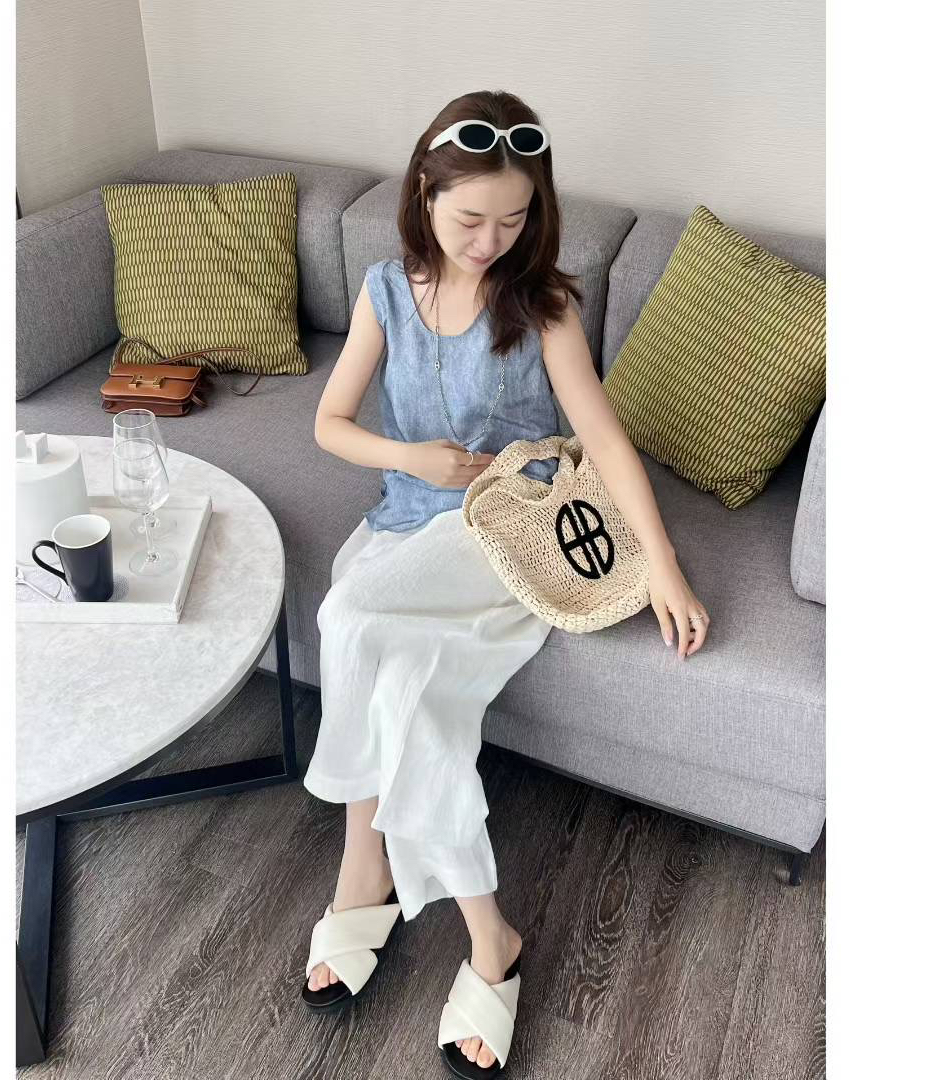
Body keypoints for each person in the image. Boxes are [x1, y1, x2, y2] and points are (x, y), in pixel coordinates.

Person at [301, 90, 711, 1074]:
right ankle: (491, 937)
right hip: (403, 531)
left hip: (505, 542)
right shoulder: (384, 292)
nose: (491, 242)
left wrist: (664, 566)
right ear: (423, 195)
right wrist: (410, 457)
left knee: (347, 615)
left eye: (515, 220)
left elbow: (604, 439)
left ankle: (362, 870)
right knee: (408, 694)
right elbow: (329, 424)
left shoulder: (546, 306)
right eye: (470, 219)